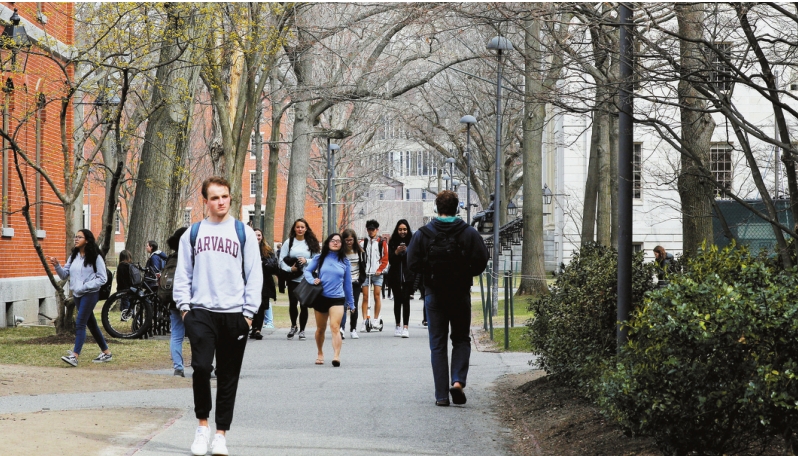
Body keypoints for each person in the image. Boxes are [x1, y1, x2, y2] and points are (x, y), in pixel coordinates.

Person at [173, 176, 263, 456]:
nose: (220, 202)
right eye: (214, 197)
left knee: (228, 375)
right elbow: (183, 272)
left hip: (234, 314)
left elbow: (254, 274)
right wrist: (185, 309)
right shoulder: (193, 233)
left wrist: (248, 314)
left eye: (224, 196)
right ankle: (202, 427)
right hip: (200, 313)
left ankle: (220, 434)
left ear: (230, 198)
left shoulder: (243, 232)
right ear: (206, 201)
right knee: (201, 368)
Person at [407, 190, 489, 406]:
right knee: (461, 339)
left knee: (437, 343)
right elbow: (481, 260)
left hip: (434, 294)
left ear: (436, 208)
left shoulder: (423, 233)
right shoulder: (468, 232)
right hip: (460, 293)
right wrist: (464, 272)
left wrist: (429, 273)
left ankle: (441, 396)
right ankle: (458, 381)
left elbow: (412, 263)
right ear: (457, 208)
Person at [49, 229, 113, 367]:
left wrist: (85, 285)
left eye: (79, 237)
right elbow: (64, 275)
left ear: (87, 240)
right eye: (75, 237)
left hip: (90, 294)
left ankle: (75, 356)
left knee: (80, 323)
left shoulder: (96, 257)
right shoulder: (74, 256)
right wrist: (57, 266)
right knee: (91, 324)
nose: (76, 239)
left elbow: (103, 278)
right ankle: (106, 352)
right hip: (77, 294)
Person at [305, 233, 355, 367]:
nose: (335, 243)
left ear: (342, 244)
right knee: (320, 329)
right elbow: (307, 271)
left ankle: (336, 356)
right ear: (328, 243)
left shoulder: (345, 261)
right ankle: (320, 353)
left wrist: (351, 302)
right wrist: (312, 280)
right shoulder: (319, 258)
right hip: (321, 297)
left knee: (335, 327)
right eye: (333, 240)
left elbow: (348, 284)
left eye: (338, 241)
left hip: (338, 298)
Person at [279, 218, 321, 340]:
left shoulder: (311, 242)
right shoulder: (289, 242)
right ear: (294, 228)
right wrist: (289, 269)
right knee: (293, 303)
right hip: (293, 278)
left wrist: (306, 260)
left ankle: (302, 330)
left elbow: (318, 259)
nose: (300, 229)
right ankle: (293, 326)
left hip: (306, 278)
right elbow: (281, 260)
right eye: (298, 227)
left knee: (304, 304)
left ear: (306, 228)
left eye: (302, 227)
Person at [163, 227, 188, 377]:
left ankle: (178, 367)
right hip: (191, 302)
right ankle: (204, 366)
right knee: (200, 335)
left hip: (173, 301)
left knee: (177, 335)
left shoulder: (171, 257)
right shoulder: (193, 257)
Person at [388, 220, 414, 338]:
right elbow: (390, 260)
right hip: (395, 276)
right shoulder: (392, 241)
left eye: (404, 229)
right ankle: (398, 325)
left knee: (406, 300)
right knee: (397, 301)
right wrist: (396, 252)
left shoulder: (412, 241)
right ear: (397, 230)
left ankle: (406, 327)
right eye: (400, 229)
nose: (402, 232)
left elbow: (415, 258)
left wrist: (407, 251)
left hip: (408, 276)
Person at [361, 219, 388, 332]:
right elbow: (361, 258)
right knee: (365, 297)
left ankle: (376, 319)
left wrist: (380, 270)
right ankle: (364, 320)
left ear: (377, 230)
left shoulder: (382, 242)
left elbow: (385, 258)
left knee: (377, 295)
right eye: (369, 229)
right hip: (366, 273)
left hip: (377, 273)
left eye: (373, 229)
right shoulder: (363, 243)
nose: (371, 231)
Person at [251, 228, 278, 339]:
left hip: (264, 282)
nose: (257, 237)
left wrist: (264, 263)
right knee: (251, 305)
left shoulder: (267, 250)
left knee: (261, 306)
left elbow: (274, 265)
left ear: (262, 237)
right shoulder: (246, 248)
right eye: (255, 235)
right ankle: (252, 328)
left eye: (259, 235)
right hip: (249, 282)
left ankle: (257, 329)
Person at [341, 228, 365, 339]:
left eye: (351, 240)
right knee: (343, 305)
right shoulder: (341, 252)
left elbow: (363, 267)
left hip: (355, 282)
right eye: (347, 240)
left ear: (354, 239)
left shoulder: (360, 252)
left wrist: (360, 280)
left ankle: (353, 329)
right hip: (343, 282)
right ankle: (342, 328)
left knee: (353, 306)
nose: (349, 242)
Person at [116, 249, 134, 321]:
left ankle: (127, 316)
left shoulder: (121, 266)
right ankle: (124, 317)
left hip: (123, 288)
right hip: (131, 287)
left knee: (125, 303)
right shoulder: (130, 266)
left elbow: (120, 279)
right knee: (127, 303)